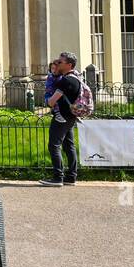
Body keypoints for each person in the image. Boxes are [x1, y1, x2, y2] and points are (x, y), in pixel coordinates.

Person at [41, 52, 82, 187]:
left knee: (54, 145)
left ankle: (58, 177)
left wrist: (48, 100)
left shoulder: (66, 81)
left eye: (60, 62)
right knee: (69, 145)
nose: (57, 63)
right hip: (71, 117)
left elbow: (52, 102)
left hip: (62, 117)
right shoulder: (76, 78)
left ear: (69, 65)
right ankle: (71, 177)